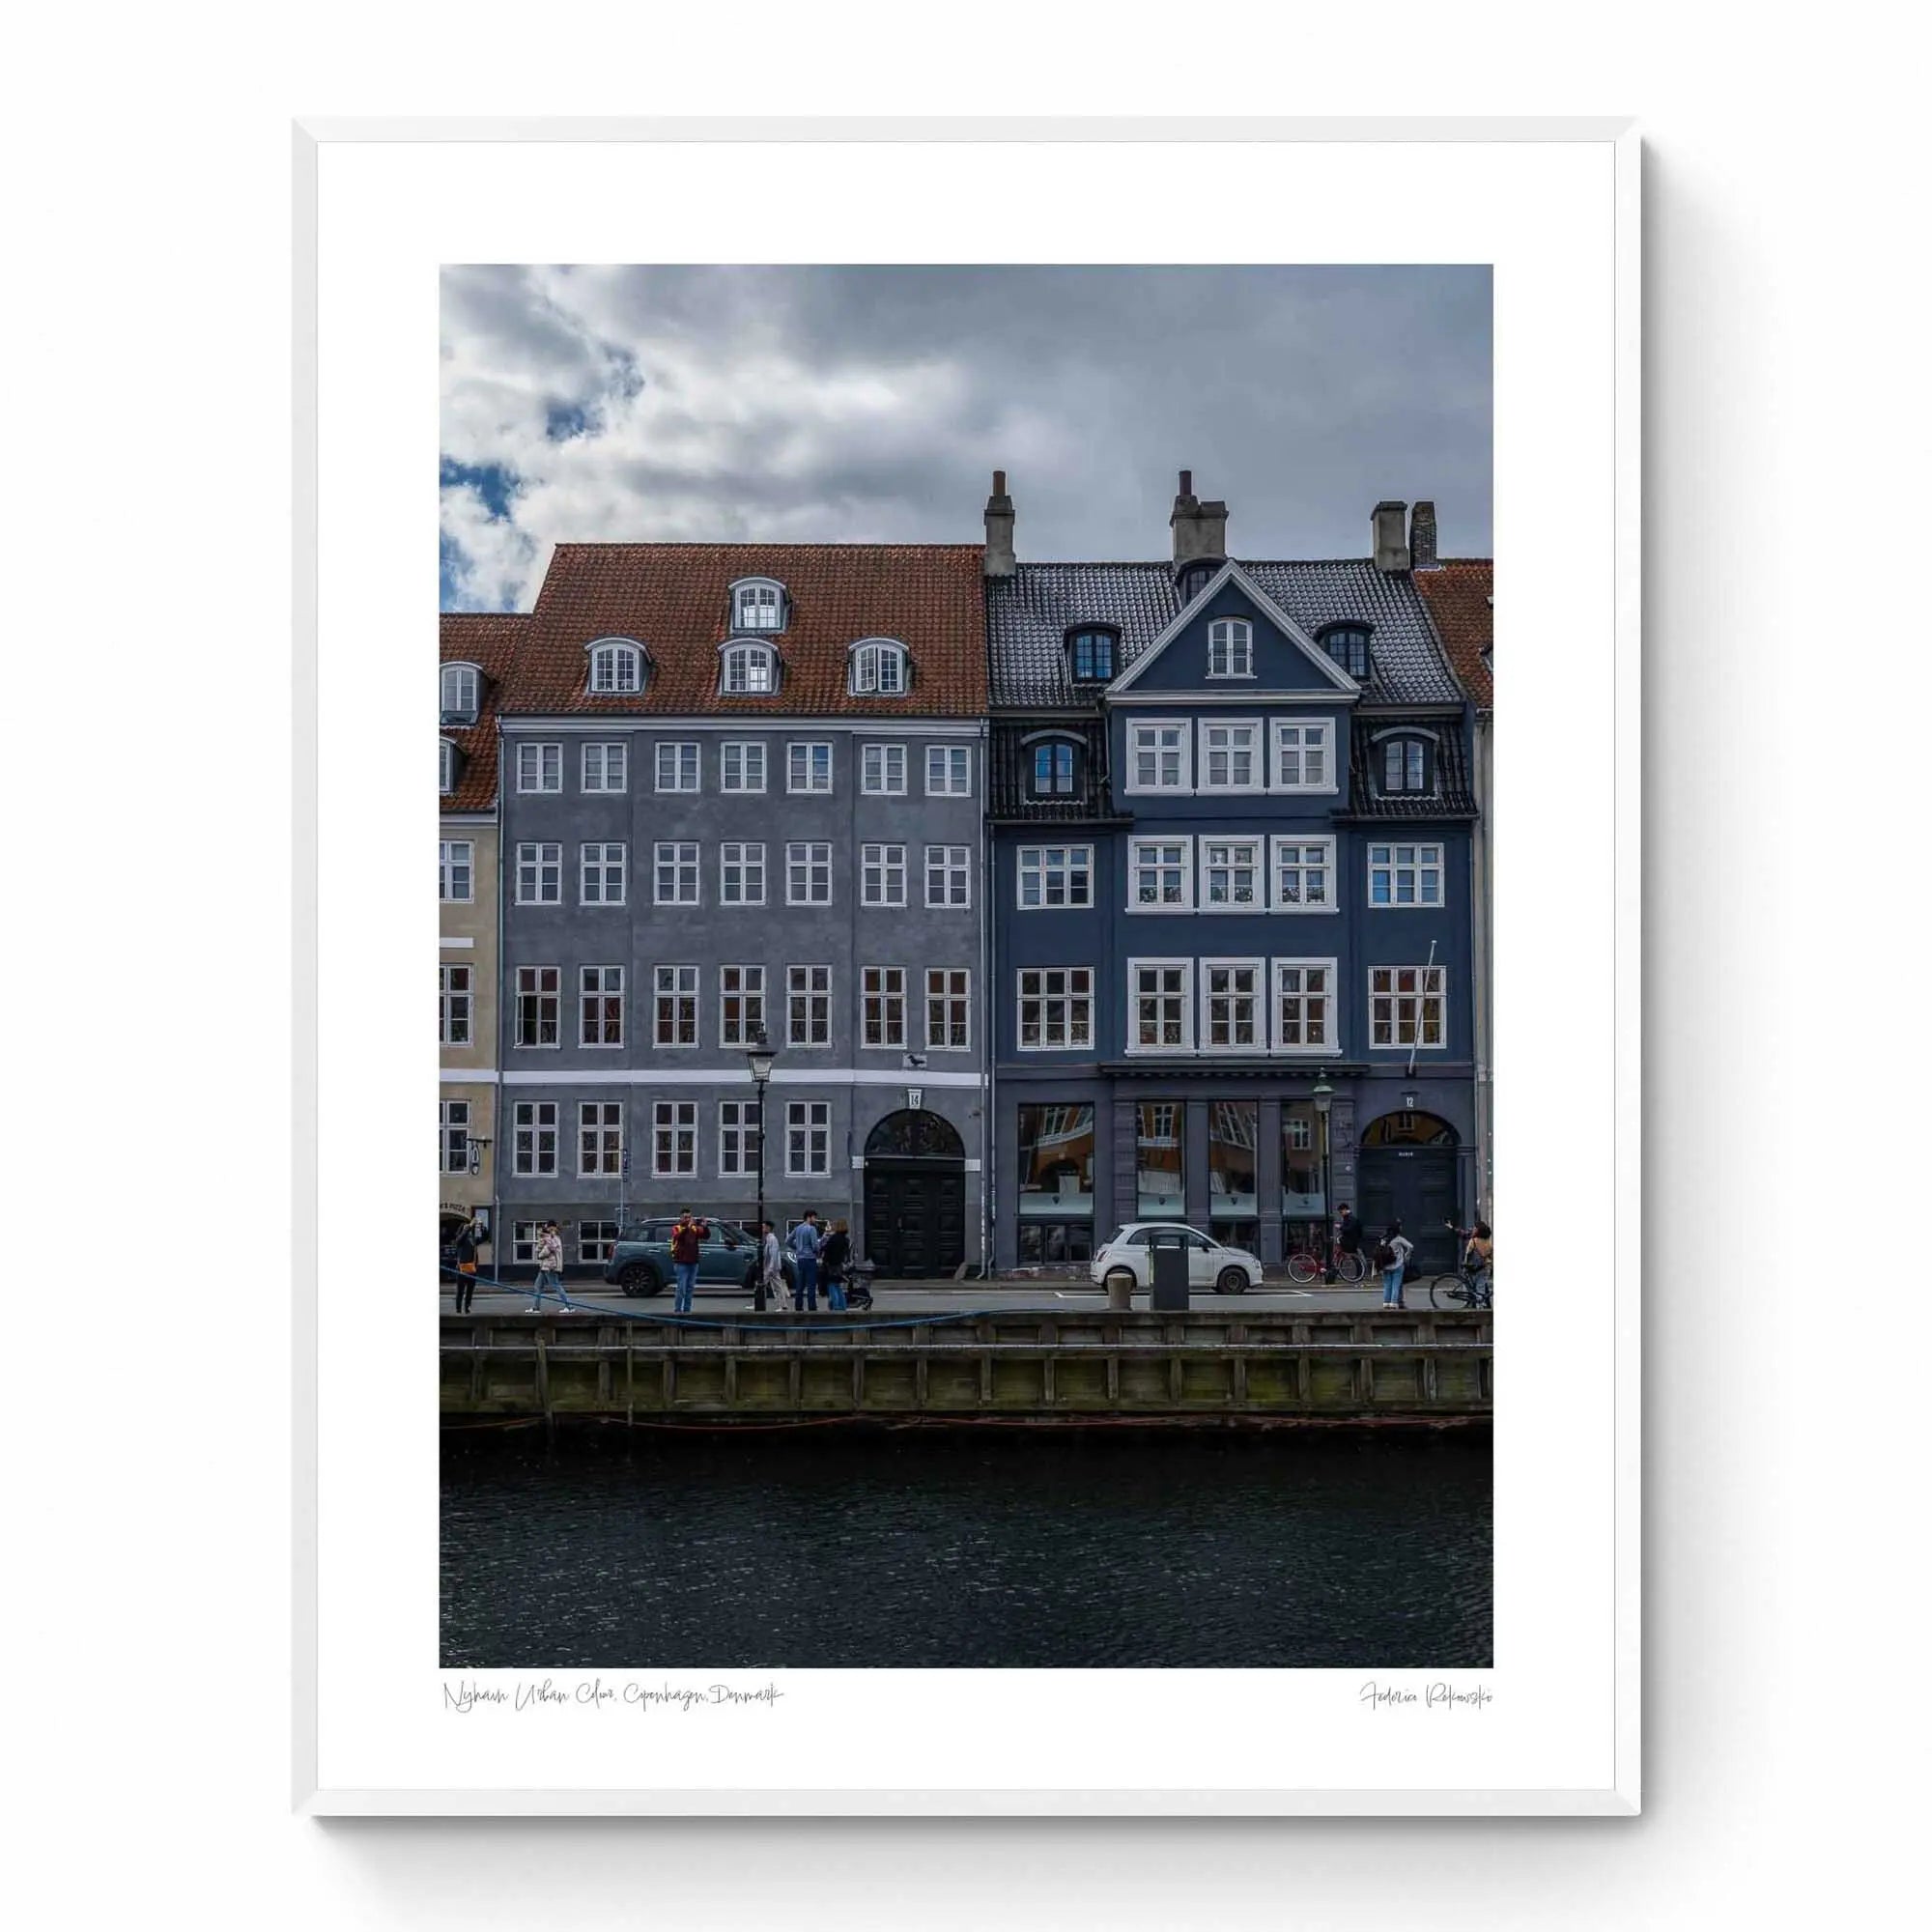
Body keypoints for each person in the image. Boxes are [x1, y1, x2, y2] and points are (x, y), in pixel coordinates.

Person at [668, 1208, 708, 1316]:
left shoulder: (694, 1229)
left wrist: (704, 1226)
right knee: (681, 1287)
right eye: (685, 1217)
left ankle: (687, 1310)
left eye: (689, 1217)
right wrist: (688, 1227)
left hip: (693, 1261)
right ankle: (678, 1310)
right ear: (680, 1218)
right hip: (681, 1261)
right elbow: (678, 1237)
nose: (687, 1219)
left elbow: (705, 1236)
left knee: (690, 1288)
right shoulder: (676, 1228)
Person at [1373, 1219, 1413, 1310]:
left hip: (1386, 1266)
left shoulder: (1384, 1239)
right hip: (1397, 1265)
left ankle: (1386, 1303)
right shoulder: (1398, 1239)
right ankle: (1394, 1303)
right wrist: (1407, 1255)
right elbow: (1410, 1246)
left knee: (1387, 1285)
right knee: (1396, 1285)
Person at [788, 1210, 822, 1313]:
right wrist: (818, 1252)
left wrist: (797, 1248)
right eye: (814, 1218)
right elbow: (815, 1245)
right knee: (811, 1285)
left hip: (800, 1259)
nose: (815, 1220)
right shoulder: (811, 1229)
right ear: (809, 1217)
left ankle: (798, 1307)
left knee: (800, 1285)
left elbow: (788, 1241)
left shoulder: (797, 1228)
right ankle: (812, 1308)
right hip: (810, 1259)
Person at [529, 1220, 564, 1313]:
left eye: (547, 1227)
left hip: (549, 1266)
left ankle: (569, 1307)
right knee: (538, 1286)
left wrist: (540, 1255)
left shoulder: (553, 1237)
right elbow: (541, 1247)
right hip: (544, 1266)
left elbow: (548, 1249)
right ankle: (536, 1307)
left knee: (556, 1285)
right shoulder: (551, 1237)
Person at [819, 1216, 852, 1313]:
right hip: (839, 1265)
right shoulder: (846, 1240)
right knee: (838, 1286)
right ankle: (843, 1306)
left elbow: (825, 1249)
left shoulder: (833, 1238)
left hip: (831, 1265)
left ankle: (836, 1306)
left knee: (832, 1285)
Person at [452, 1217, 480, 1315]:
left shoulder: (472, 1240)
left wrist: (481, 1227)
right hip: (462, 1269)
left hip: (472, 1269)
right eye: (466, 1228)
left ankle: (467, 1308)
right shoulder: (460, 1240)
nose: (468, 1230)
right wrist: (469, 1226)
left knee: (470, 1292)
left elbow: (484, 1237)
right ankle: (458, 1310)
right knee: (460, 1291)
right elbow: (462, 1237)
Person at [756, 1219, 786, 1313]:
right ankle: (782, 1305)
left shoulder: (772, 1239)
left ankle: (782, 1305)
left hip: (771, 1267)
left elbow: (773, 1254)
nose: (762, 1229)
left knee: (766, 1285)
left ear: (768, 1228)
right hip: (769, 1267)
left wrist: (771, 1268)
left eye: (764, 1227)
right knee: (773, 1286)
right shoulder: (768, 1238)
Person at [1463, 1220, 1493, 1307]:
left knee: (1470, 1287)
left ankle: (1472, 1304)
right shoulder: (1489, 1243)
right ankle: (1480, 1307)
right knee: (1481, 1288)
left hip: (1472, 1267)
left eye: (1475, 1228)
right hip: (1483, 1268)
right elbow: (1491, 1257)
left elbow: (1468, 1253)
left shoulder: (1473, 1241)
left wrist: (1465, 1265)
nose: (1473, 1229)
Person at [1335, 1203, 1363, 1279]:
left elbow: (1349, 1229)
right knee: (1353, 1257)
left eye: (1341, 1212)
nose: (1341, 1214)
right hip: (1351, 1240)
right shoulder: (1348, 1218)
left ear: (1345, 1210)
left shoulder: (1351, 1218)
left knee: (1354, 1257)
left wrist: (1340, 1227)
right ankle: (1358, 1274)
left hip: (1351, 1241)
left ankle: (1359, 1274)